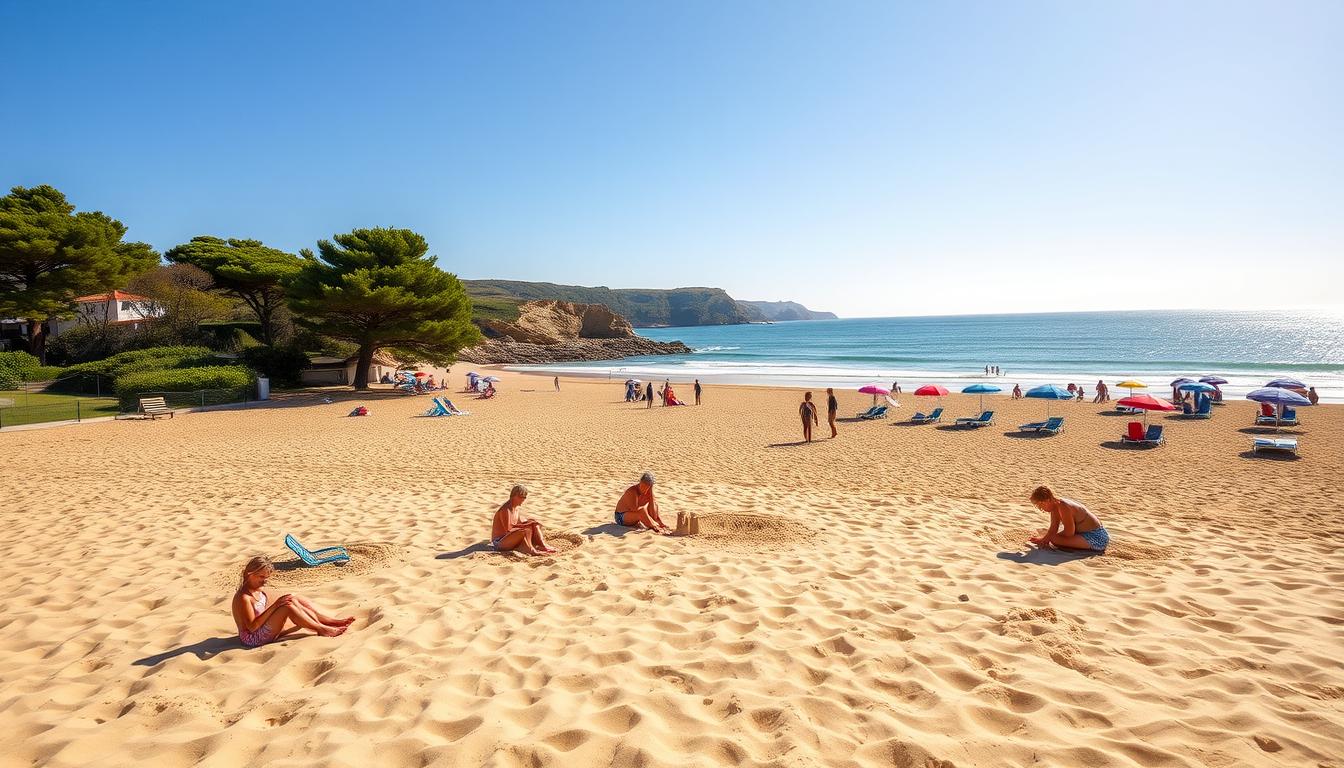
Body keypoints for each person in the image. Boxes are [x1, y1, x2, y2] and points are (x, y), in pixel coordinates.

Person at [231, 556, 355, 648]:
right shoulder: (244, 598)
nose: (265, 581)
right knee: (287, 606)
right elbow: (252, 627)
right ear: (249, 574)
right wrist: (276, 605)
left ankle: (327, 621)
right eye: (261, 577)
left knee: (291, 598)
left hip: (262, 629)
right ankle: (321, 629)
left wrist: (281, 603)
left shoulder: (257, 588)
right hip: (252, 639)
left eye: (267, 577)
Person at [1027, 485, 1109, 552]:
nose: (1040, 508)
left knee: (1054, 539)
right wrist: (1044, 539)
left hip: (1096, 536)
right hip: (1082, 534)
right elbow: (1053, 528)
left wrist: (1050, 538)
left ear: (1047, 500)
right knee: (1052, 537)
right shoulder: (1055, 506)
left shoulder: (1063, 506)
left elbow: (1069, 532)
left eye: (1040, 505)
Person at [491, 485, 557, 555]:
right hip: (499, 542)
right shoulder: (505, 510)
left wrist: (530, 522)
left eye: (525, 497)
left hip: (509, 539)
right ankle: (530, 550)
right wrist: (525, 525)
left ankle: (542, 546)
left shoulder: (515, 508)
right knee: (524, 531)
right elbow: (508, 530)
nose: (523, 500)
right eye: (522, 497)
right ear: (514, 496)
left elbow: (518, 523)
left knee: (534, 524)